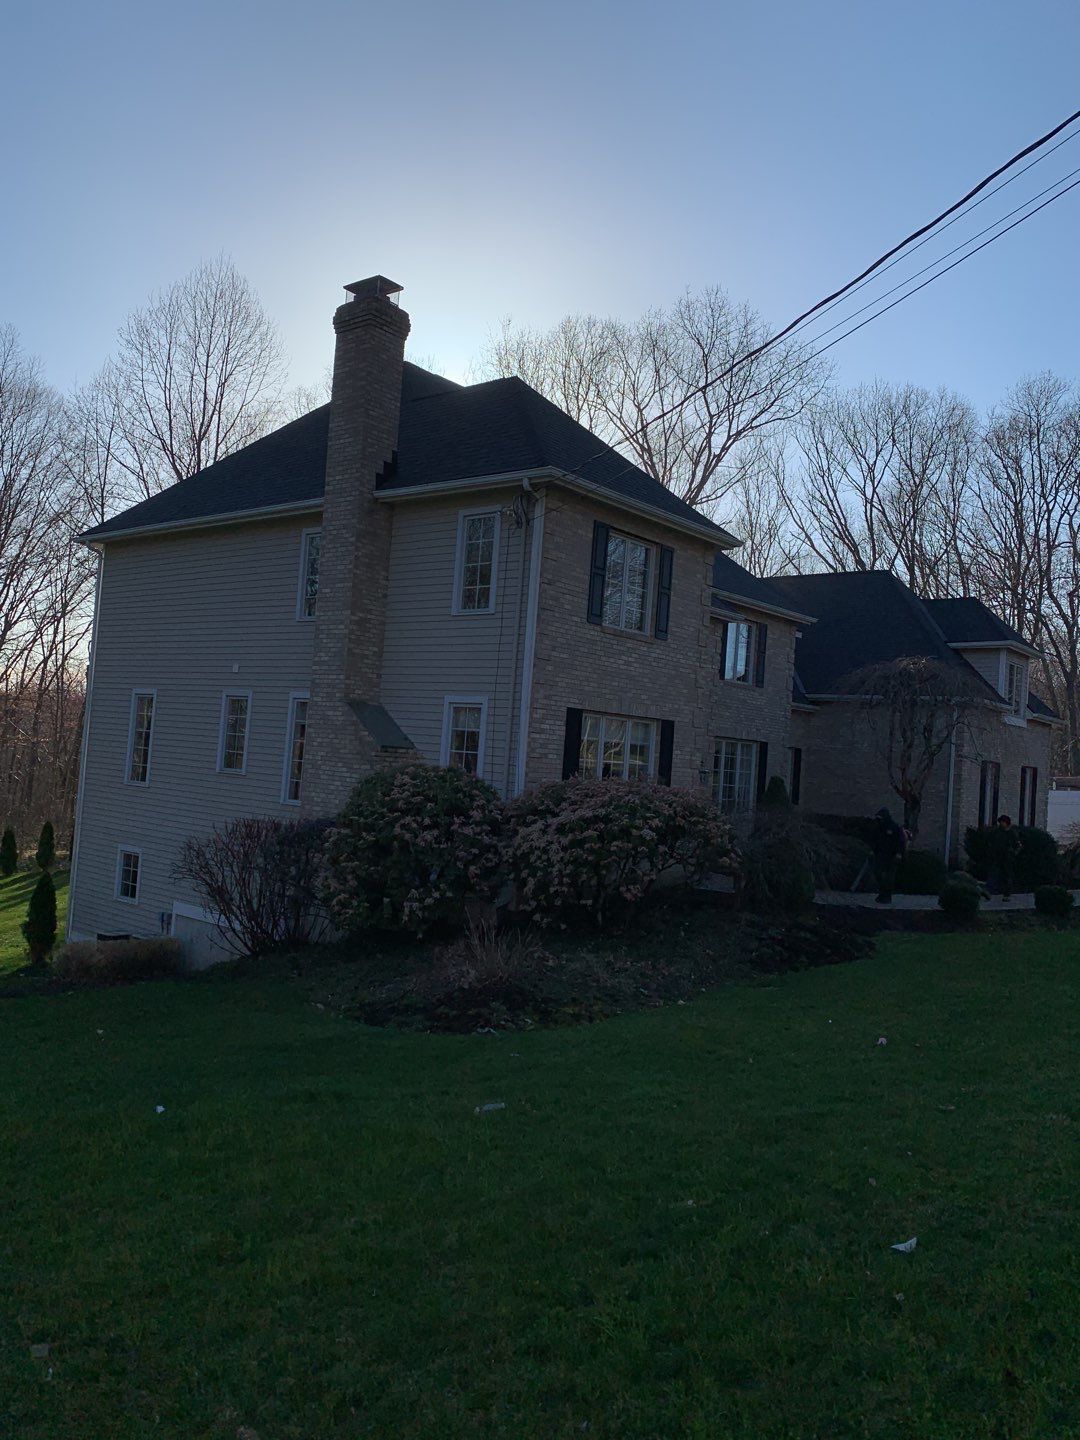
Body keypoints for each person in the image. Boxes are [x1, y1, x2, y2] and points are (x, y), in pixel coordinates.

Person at [871, 807, 907, 904]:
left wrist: (899, 854)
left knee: (889, 877)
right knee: (878, 873)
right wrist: (873, 851)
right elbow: (875, 840)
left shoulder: (894, 828)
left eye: (880, 818)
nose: (879, 820)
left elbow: (901, 842)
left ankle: (887, 896)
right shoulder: (878, 828)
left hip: (893, 856)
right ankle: (882, 893)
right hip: (881, 855)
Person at [988, 813, 1021, 902]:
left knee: (1007, 876)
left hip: (1007, 858)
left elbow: (1017, 846)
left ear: (1006, 823)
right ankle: (990, 893)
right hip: (997, 857)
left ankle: (1006, 894)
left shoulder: (1011, 834)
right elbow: (992, 842)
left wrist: (1013, 854)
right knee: (994, 874)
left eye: (1002, 822)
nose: (1001, 824)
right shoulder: (998, 832)